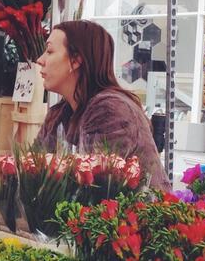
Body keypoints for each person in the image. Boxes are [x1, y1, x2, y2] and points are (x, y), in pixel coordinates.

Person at [36, 19, 170, 190]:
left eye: (49, 51)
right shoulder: (60, 114)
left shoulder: (110, 111)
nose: (40, 60)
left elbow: (95, 192)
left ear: (76, 60)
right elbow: (33, 173)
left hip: (138, 215)